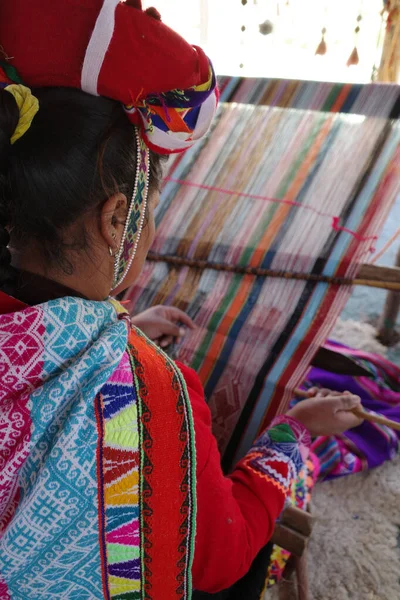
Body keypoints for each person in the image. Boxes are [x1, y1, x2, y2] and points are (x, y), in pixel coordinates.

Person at [0, 2, 363, 599]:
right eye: (148, 215)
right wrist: (291, 433)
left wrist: (123, 327)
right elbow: (218, 555)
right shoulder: (151, 396)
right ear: (118, 217)